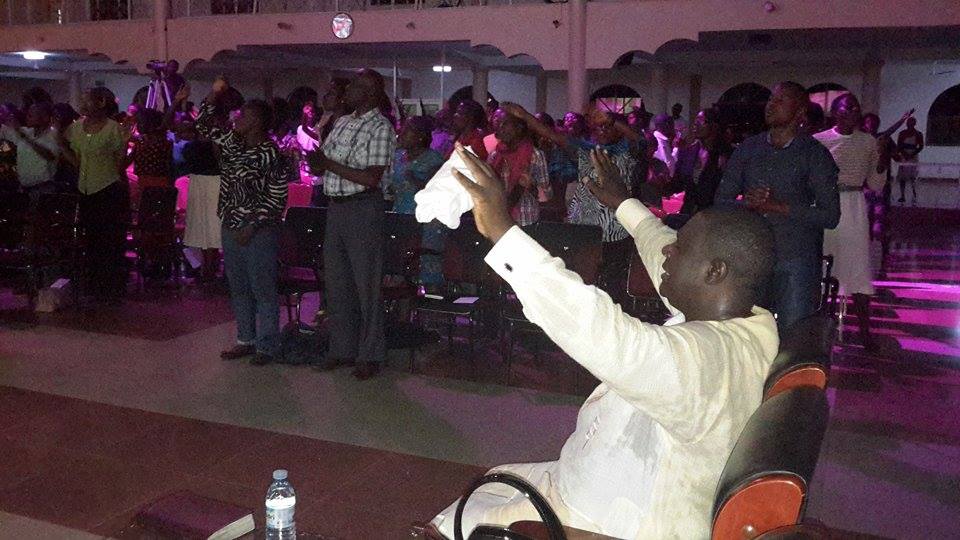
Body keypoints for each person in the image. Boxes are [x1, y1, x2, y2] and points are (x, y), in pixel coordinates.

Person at [422, 144, 778, 539]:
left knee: (455, 525)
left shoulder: (706, 361)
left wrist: (504, 233)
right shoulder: (737, 321)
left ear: (714, 272)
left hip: (610, 521)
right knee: (490, 484)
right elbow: (656, 243)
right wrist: (623, 203)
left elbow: (600, 330)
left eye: (680, 247)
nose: (668, 250)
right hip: (601, 481)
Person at [715, 81, 840, 330]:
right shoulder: (749, 149)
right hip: (751, 258)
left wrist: (778, 207)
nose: (771, 105)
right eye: (771, 99)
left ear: (800, 112)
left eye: (781, 100)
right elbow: (721, 201)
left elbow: (830, 216)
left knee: (792, 335)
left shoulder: (814, 154)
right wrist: (747, 203)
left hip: (795, 259)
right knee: (747, 335)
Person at [191, 79, 289, 365]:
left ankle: (267, 345)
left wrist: (253, 225)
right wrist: (214, 94)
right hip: (232, 223)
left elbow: (276, 197)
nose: (237, 118)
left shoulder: (270, 153)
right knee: (239, 287)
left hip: (259, 229)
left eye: (244, 115)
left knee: (262, 288)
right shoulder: (234, 144)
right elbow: (203, 125)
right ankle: (246, 339)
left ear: (257, 122)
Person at [307, 69, 395, 380]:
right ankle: (342, 348)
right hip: (336, 207)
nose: (349, 90)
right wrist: (316, 162)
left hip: (363, 208)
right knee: (337, 283)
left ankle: (369, 354)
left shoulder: (381, 127)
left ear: (370, 93)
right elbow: (324, 164)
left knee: (366, 285)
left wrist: (327, 163)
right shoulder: (343, 122)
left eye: (357, 86)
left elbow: (371, 178)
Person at [503, 103, 637, 305]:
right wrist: (524, 115)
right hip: (583, 228)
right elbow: (553, 135)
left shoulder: (628, 153)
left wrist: (612, 120)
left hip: (614, 232)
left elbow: (641, 140)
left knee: (611, 291)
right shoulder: (586, 150)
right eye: (599, 126)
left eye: (608, 127)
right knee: (579, 287)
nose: (603, 130)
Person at [815, 94, 885, 348]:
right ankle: (814, 326)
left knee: (858, 266)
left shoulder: (868, 142)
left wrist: (883, 157)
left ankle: (865, 332)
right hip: (826, 206)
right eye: (847, 107)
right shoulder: (819, 140)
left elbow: (876, 183)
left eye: (856, 108)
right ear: (835, 112)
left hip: (854, 207)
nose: (853, 111)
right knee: (822, 263)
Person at [58, 87, 131, 302]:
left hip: (108, 189)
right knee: (91, 240)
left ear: (101, 103)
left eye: (87, 100)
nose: (82, 104)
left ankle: (111, 288)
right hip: (85, 189)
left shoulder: (113, 129)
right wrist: (61, 146)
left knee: (109, 241)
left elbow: (119, 164)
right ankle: (94, 286)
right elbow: (77, 162)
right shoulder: (76, 128)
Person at [391, 116, 446, 286]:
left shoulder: (434, 160)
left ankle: (429, 296)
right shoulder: (398, 156)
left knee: (424, 262)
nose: (402, 134)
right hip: (401, 215)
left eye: (407, 130)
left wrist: (415, 179)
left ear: (421, 136)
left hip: (425, 221)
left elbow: (437, 190)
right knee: (401, 263)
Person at [488, 114, 551, 226]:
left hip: (525, 218)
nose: (500, 127)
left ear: (519, 128)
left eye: (505, 124)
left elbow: (547, 194)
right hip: (499, 218)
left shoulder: (535, 155)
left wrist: (530, 186)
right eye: (500, 124)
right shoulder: (495, 155)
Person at [0, 102, 61, 205]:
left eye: (31, 115)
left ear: (45, 117)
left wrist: (26, 138)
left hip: (44, 189)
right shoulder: (25, 132)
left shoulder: (54, 135)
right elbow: (3, 131)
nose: (27, 117)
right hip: (24, 188)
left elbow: (49, 156)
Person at [675, 108, 732, 215]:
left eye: (701, 121)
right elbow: (678, 183)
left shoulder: (724, 154)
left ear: (714, 126)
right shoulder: (688, 152)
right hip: (689, 213)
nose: (695, 124)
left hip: (713, 214)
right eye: (695, 120)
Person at [182, 138, 223, 283]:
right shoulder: (214, 143)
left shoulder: (192, 146)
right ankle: (208, 268)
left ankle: (207, 268)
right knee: (209, 227)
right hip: (210, 182)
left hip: (206, 182)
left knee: (207, 227)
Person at [129, 108, 173, 189]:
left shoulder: (159, 142)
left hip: (158, 183)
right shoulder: (142, 141)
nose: (137, 126)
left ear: (150, 124)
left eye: (140, 122)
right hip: (147, 182)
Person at [895, 117, 924, 204]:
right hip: (904, 156)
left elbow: (921, 146)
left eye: (911, 123)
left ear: (914, 124)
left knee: (913, 177)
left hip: (913, 156)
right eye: (908, 123)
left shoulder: (918, 134)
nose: (909, 124)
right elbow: (899, 145)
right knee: (902, 177)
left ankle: (914, 194)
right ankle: (902, 195)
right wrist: (904, 154)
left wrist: (912, 154)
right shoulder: (902, 133)